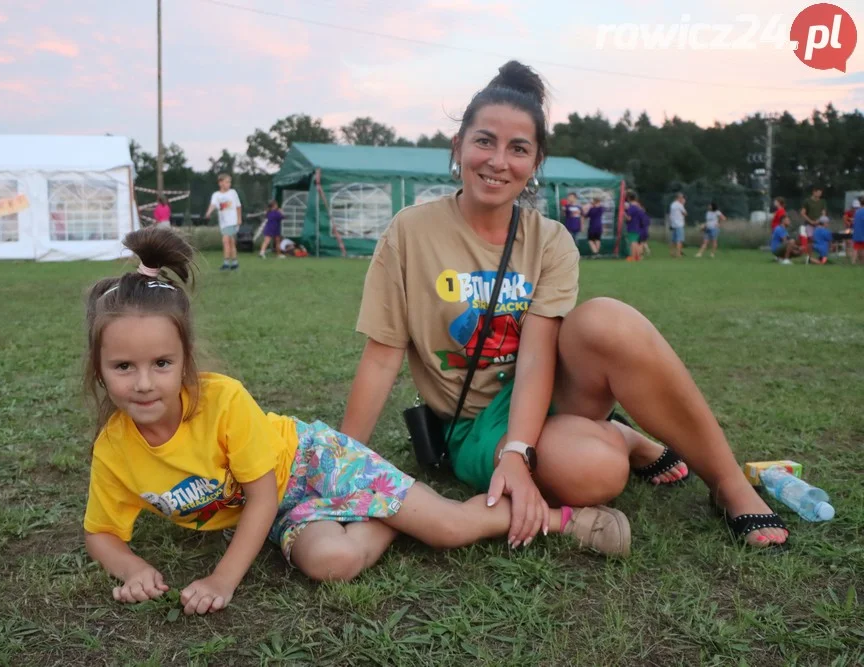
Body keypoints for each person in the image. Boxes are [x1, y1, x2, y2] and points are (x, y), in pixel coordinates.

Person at [340, 60, 788, 552]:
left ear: (535, 163)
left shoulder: (550, 240)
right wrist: (341, 462)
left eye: (518, 149)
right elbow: (382, 358)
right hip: (472, 423)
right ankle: (624, 439)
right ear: (458, 147)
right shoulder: (410, 232)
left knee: (608, 320)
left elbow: (536, 357)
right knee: (596, 471)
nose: (497, 161)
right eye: (484, 141)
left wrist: (518, 453)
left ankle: (728, 483)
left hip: (547, 391)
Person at [81, 229, 632, 617]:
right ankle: (390, 516)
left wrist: (222, 578)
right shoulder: (115, 449)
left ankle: (568, 522)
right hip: (276, 507)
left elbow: (263, 496)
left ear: (186, 361)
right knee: (332, 561)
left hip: (311, 463)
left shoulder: (222, 402)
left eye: (161, 363)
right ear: (99, 371)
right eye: (123, 367)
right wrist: (130, 567)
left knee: (446, 528)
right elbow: (101, 531)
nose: (145, 383)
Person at [204, 174, 242, 271]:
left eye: (229, 182)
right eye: (226, 182)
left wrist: (239, 219)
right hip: (224, 223)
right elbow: (213, 204)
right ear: (220, 183)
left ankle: (226, 264)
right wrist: (208, 212)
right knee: (231, 242)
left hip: (232, 221)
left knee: (226, 241)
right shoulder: (216, 195)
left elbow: (238, 206)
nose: (228, 184)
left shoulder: (233, 193)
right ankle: (234, 263)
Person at [623, 192, 644, 261]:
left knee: (633, 242)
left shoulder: (632, 207)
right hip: (638, 226)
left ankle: (633, 257)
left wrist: (624, 213)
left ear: (629, 198)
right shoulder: (638, 207)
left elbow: (629, 218)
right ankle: (637, 257)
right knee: (636, 242)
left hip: (632, 226)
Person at [668, 192, 687, 258]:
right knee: (679, 240)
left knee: (673, 240)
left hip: (674, 224)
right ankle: (678, 254)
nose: (683, 199)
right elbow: (685, 213)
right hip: (679, 224)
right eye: (682, 198)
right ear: (679, 198)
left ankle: (672, 253)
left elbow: (671, 214)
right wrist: (683, 204)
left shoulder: (672, 204)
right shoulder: (680, 205)